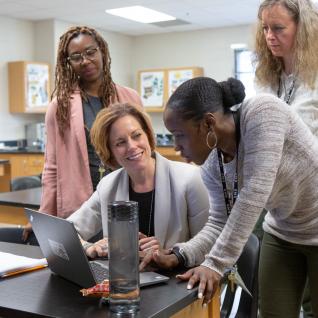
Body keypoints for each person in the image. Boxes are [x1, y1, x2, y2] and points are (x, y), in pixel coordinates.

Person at [139, 76, 318, 317]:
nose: (176, 145)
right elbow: (219, 222)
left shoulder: (263, 112)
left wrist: (214, 264)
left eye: (179, 134)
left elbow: (254, 192)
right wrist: (179, 255)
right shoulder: (214, 164)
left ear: (208, 123)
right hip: (283, 231)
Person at [20, 26, 142, 243]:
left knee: (126, 262)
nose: (85, 61)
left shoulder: (130, 97)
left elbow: (146, 152)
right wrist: (44, 214)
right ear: (68, 62)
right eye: (76, 57)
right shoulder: (61, 107)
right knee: (88, 264)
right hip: (83, 205)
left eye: (90, 52)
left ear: (102, 51)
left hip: (126, 198)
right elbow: (52, 166)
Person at [67, 103, 209, 258]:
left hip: (177, 278)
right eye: (120, 143)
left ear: (148, 135)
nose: (132, 146)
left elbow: (209, 245)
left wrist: (171, 254)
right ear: (110, 151)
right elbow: (67, 231)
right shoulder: (108, 186)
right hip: (123, 278)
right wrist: (89, 247)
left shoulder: (191, 178)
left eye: (136, 135)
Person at [254, 1, 318, 315]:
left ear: (302, 29)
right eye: (265, 27)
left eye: (278, 28)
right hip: (281, 223)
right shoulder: (268, 77)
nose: (269, 36)